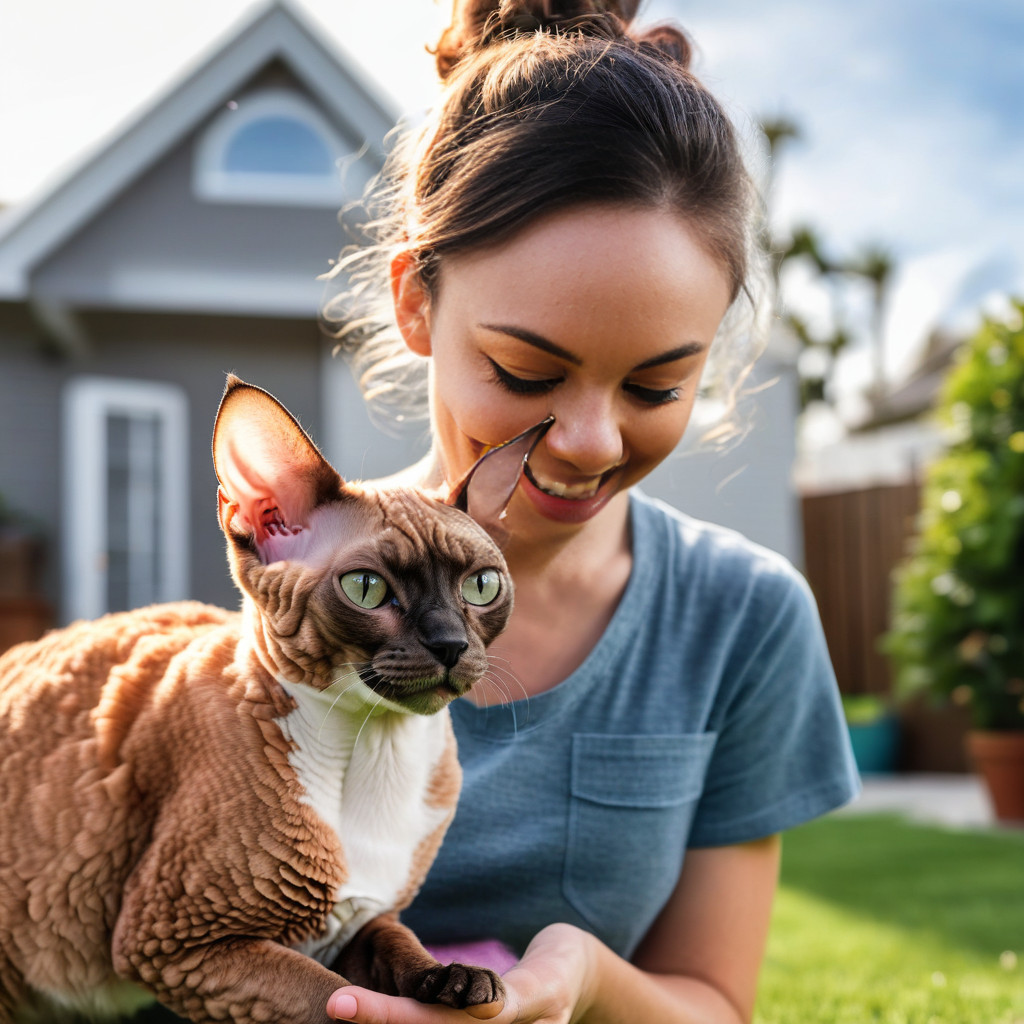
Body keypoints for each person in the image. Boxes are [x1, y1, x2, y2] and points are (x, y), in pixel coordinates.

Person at [323, 2, 860, 1021]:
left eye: (656, 387)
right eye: (526, 372)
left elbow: (712, 1000)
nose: (590, 442)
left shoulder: (740, 620)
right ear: (415, 303)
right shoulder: (301, 586)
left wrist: (581, 978)